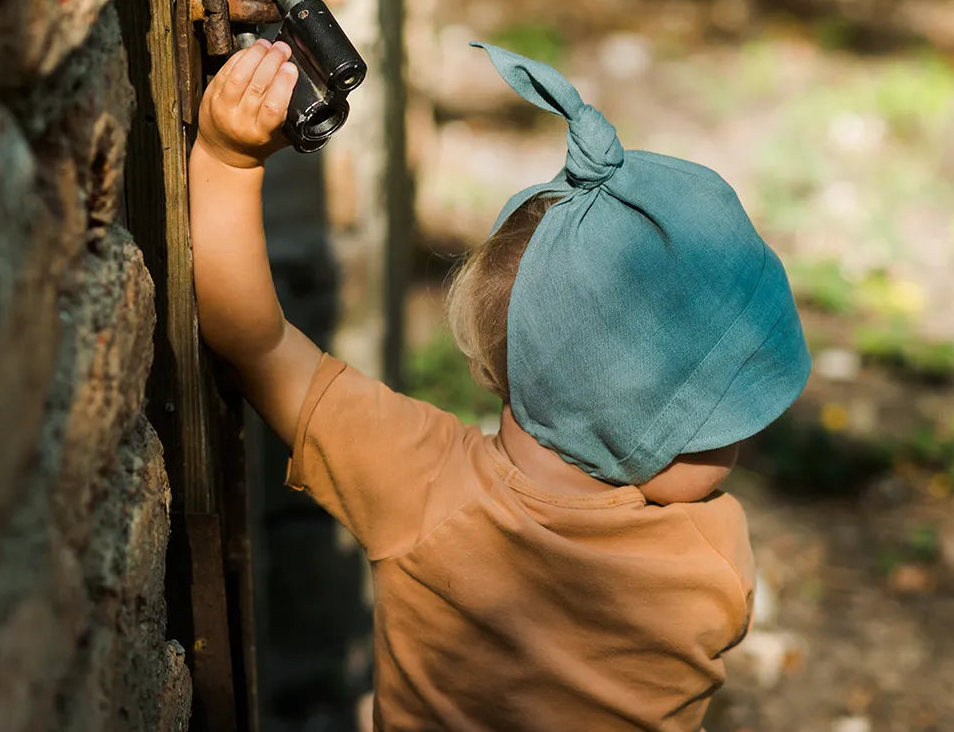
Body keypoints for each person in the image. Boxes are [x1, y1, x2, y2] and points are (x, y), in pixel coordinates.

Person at [188, 38, 812, 732]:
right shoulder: (712, 558)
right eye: (723, 428)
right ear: (641, 426)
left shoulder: (418, 482)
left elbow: (256, 342)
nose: (742, 449)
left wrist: (226, 159)